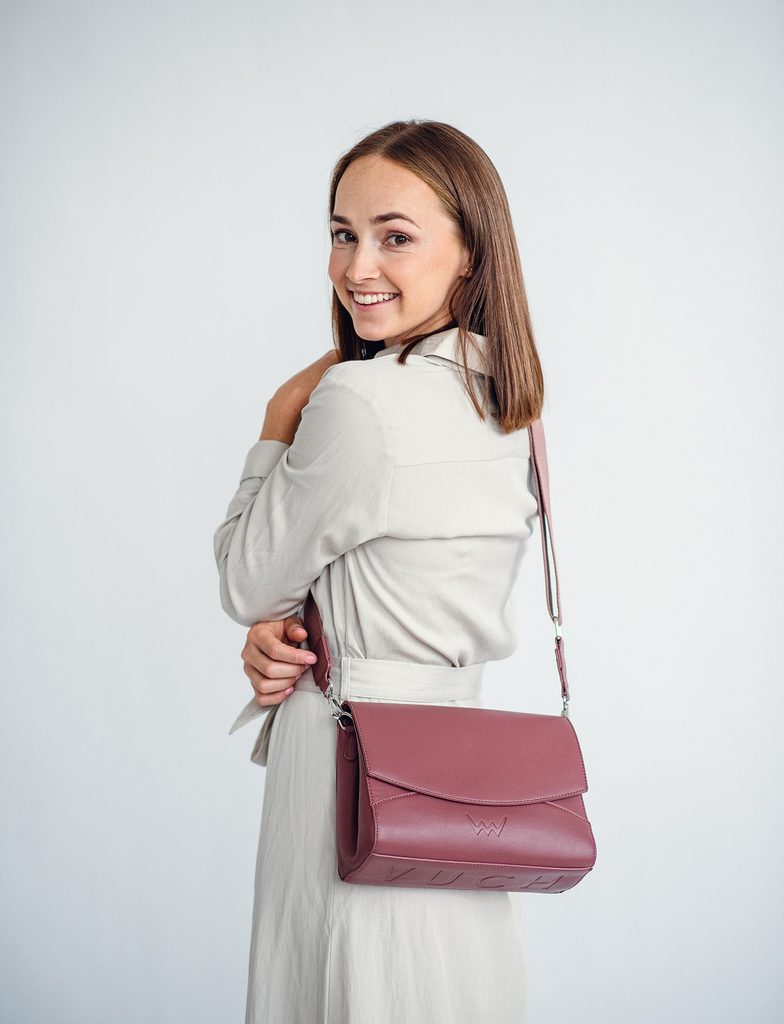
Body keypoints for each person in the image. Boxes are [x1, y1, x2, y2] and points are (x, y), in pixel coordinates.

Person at [213, 118, 545, 1024]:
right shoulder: (507, 402)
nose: (357, 267)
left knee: (343, 985)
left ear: (470, 253)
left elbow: (246, 580)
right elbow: (397, 580)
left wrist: (277, 420)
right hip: (458, 780)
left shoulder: (359, 399)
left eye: (395, 237)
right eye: (342, 233)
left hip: (349, 767)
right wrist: (299, 633)